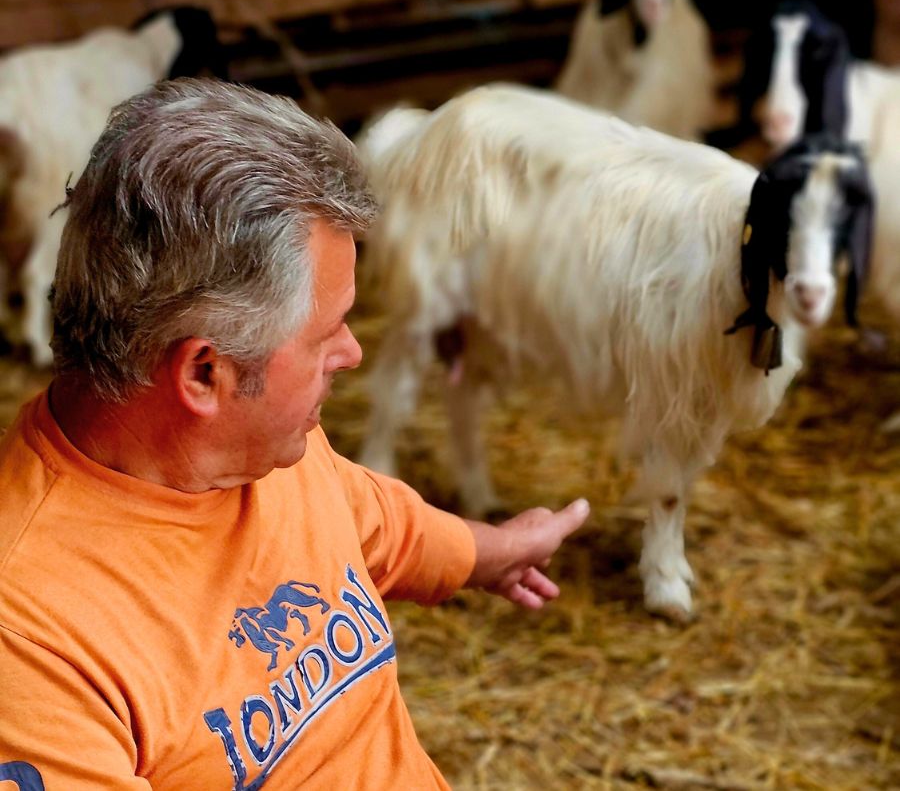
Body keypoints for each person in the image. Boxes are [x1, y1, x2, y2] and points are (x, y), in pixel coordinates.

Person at [0, 78, 589, 790]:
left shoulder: (267, 449)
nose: (353, 351)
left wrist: (489, 552)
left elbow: (366, 516)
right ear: (205, 374)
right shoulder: (31, 641)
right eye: (325, 332)